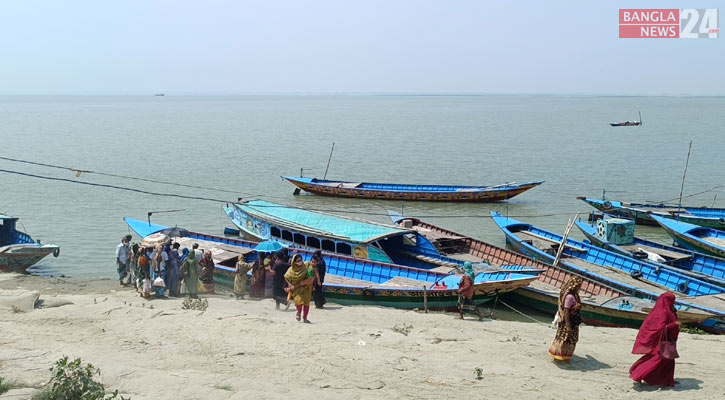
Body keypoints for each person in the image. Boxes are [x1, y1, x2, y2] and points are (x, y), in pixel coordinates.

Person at [629, 292, 680, 387]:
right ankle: (637, 375)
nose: (673, 302)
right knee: (658, 359)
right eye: (671, 300)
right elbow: (659, 328)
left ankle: (667, 380)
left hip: (669, 339)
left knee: (669, 361)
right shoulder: (661, 312)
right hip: (661, 341)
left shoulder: (670, 309)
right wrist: (674, 325)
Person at [549, 276, 583, 362]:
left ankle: (564, 357)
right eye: (578, 286)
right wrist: (568, 326)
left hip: (573, 322)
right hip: (568, 323)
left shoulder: (575, 296)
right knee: (565, 340)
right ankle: (560, 357)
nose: (579, 288)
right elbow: (566, 311)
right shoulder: (569, 297)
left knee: (570, 340)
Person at [284, 254, 317, 323]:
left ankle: (305, 318)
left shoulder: (306, 265)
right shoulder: (291, 269)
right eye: (298, 261)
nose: (300, 262)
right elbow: (286, 276)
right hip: (297, 289)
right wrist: (289, 284)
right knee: (299, 302)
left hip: (307, 287)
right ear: (294, 262)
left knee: (306, 303)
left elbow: (311, 275)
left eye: (301, 260)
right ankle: (299, 312)